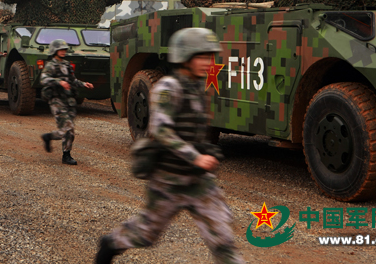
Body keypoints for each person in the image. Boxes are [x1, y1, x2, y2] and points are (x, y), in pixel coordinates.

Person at [95, 28, 244, 264]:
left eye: (210, 56)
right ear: (185, 57)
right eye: (202, 56)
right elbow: (161, 131)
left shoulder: (198, 88)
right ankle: (112, 243)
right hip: (168, 178)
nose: (208, 62)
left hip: (198, 181)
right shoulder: (168, 88)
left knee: (222, 241)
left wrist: (206, 151)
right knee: (145, 234)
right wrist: (196, 156)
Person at [40, 39, 93, 165]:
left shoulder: (67, 64)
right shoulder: (51, 65)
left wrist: (84, 84)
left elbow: (72, 80)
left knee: (69, 131)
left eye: (64, 49)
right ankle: (64, 152)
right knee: (68, 127)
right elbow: (43, 79)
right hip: (56, 100)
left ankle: (57, 145)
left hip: (68, 101)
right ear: (55, 51)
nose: (63, 51)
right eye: (61, 49)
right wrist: (59, 82)